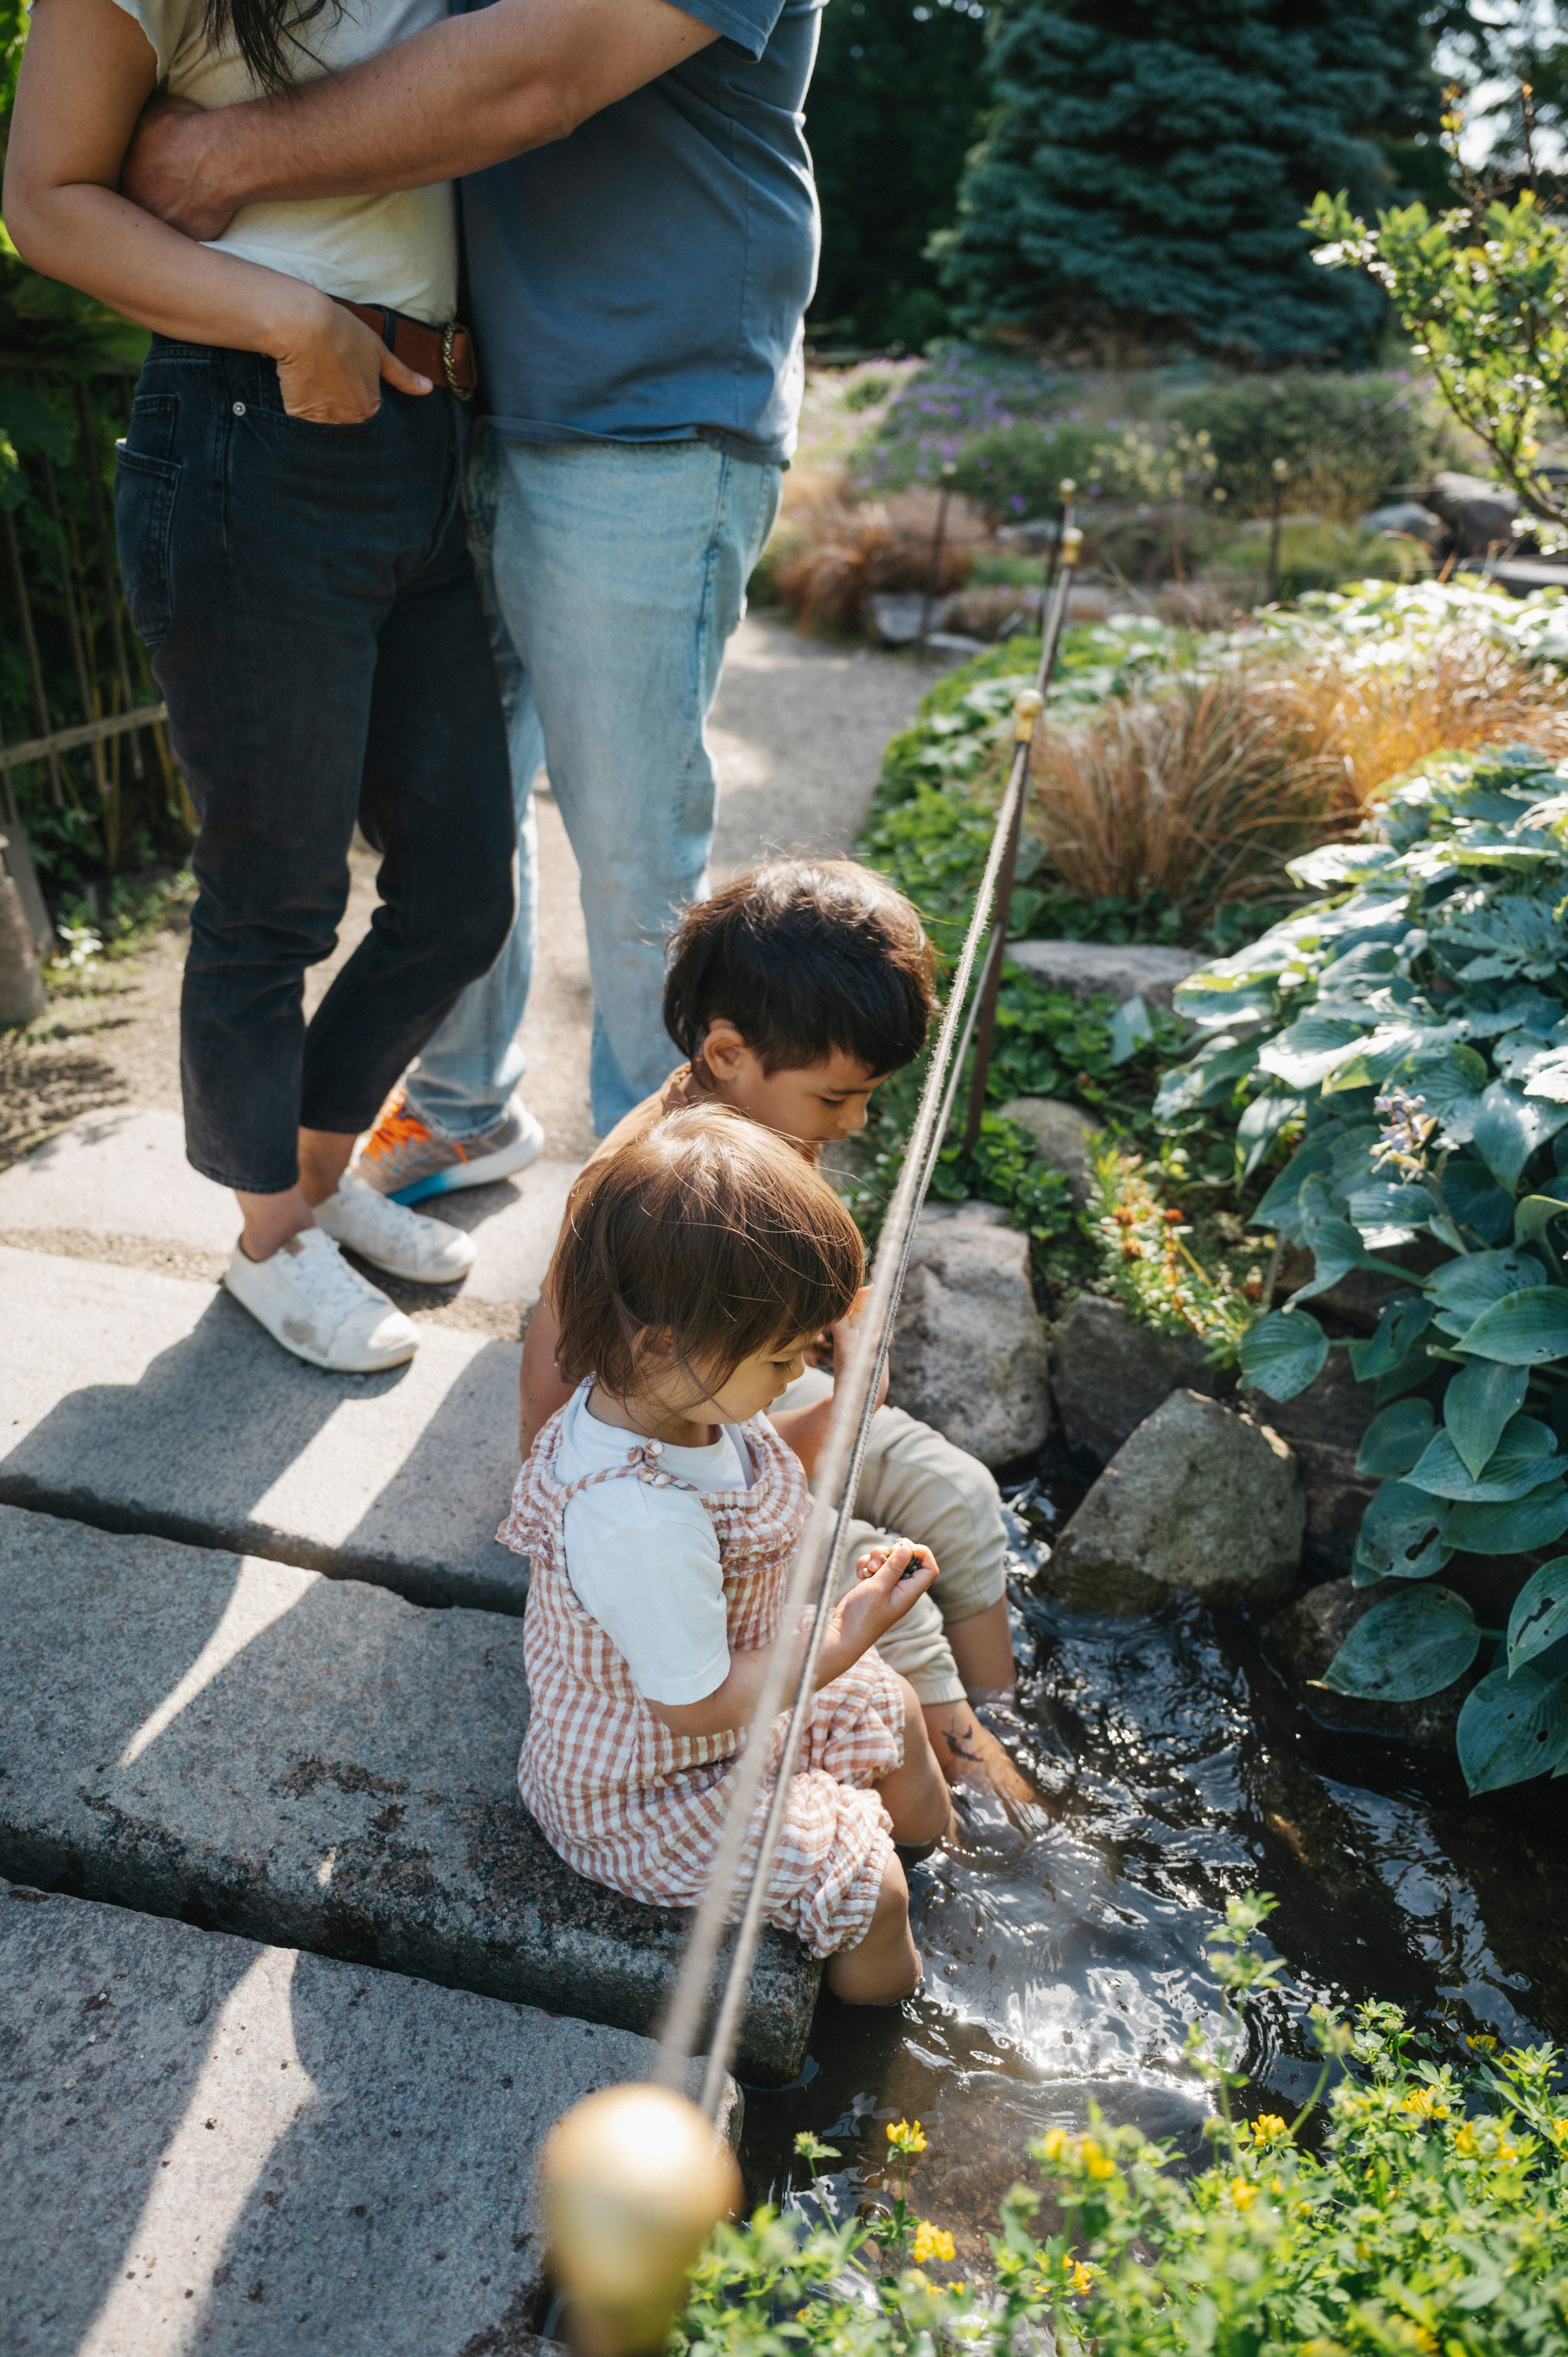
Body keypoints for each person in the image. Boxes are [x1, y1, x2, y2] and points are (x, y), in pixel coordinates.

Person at [118, 0, 833, 1178]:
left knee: (632, 852)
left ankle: (659, 1227)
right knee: (464, 812)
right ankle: (464, 1106)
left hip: (642, 425)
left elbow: (535, 77)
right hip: (464, 404)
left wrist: (220, 151)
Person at [2, 0, 518, 1373]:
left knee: (463, 888)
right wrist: (291, 320)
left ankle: (315, 1162)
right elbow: (47, 201)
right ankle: (266, 1236)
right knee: (273, 892)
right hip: (249, 418)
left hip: (416, 427)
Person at [503, 859, 1036, 1806]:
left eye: (870, 1096)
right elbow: (558, 1404)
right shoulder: (634, 1194)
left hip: (770, 1389)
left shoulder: (774, 1120)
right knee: (887, 1596)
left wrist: (850, 1350)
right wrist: (824, 1424)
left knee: (960, 1493)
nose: (859, 1121)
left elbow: (837, 1277)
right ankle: (989, 1793)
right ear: (725, 1055)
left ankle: (1001, 1718)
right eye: (837, 1099)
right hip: (691, 1439)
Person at [499, 1109, 951, 2001]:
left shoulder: (673, 1402)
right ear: (662, 1339)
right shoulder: (632, 1517)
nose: (797, 1375)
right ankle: (886, 2026)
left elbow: (760, 1469)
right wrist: (847, 1632)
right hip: (647, 1790)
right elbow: (696, 1709)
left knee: (896, 1709)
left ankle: (941, 1866)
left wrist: (851, 1396)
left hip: (734, 1709)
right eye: (784, 1358)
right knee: (875, 1891)